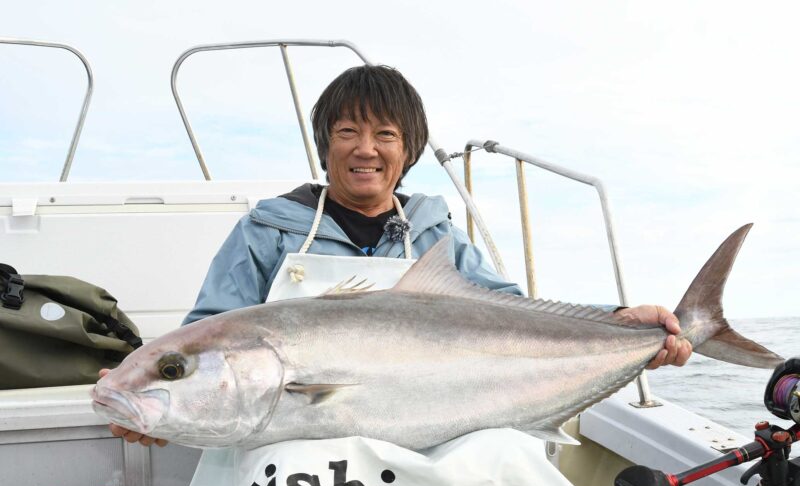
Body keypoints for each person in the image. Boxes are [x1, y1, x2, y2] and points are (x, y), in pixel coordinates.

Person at [105, 64, 692, 447]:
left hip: (428, 451)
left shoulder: (439, 238)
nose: (366, 150)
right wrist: (161, 394)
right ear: (324, 145)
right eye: (347, 133)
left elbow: (519, 318)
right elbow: (205, 337)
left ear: (407, 150)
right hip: (287, 462)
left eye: (385, 135)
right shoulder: (267, 232)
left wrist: (623, 325)